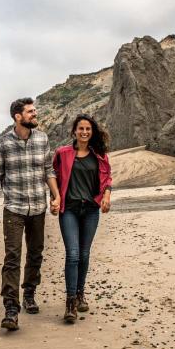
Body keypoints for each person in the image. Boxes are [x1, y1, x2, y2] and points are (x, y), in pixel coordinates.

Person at [0, 97, 60, 331]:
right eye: (30, 112)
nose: (34, 114)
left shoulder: (42, 139)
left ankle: (29, 293)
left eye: (34, 111)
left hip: (38, 207)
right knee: (12, 257)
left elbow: (48, 170)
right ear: (17, 117)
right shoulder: (4, 143)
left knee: (36, 253)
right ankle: (11, 307)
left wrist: (56, 196)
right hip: (14, 209)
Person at [53, 114, 112, 323]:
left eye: (88, 129)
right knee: (73, 254)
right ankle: (70, 302)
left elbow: (107, 179)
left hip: (90, 210)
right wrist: (55, 199)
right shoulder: (62, 153)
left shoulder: (100, 155)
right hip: (69, 209)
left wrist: (106, 196)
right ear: (74, 131)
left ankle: (80, 293)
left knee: (85, 254)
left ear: (92, 132)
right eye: (81, 129)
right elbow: (53, 177)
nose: (85, 132)